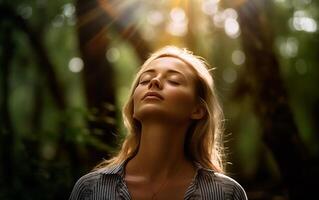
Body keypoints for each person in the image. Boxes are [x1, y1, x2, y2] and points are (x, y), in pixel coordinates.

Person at [68, 46, 248, 200]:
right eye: (145, 80)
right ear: (133, 106)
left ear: (197, 110)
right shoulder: (90, 189)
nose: (154, 82)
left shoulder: (226, 194)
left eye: (174, 81)